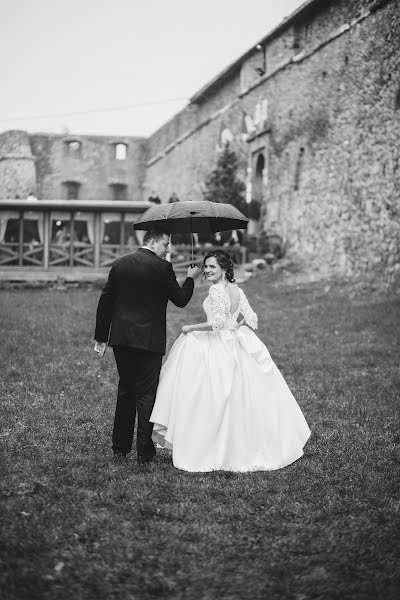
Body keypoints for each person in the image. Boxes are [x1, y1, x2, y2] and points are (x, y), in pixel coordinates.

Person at [151, 249, 310, 472]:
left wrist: (190, 328)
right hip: (235, 341)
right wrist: (236, 325)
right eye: (205, 266)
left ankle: (212, 445)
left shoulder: (216, 290)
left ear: (224, 269)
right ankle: (242, 444)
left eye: (212, 267)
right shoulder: (237, 289)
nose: (207, 270)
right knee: (239, 395)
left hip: (218, 344)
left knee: (210, 394)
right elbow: (251, 318)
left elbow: (215, 324)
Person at [94, 228, 199, 464]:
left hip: (122, 339)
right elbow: (181, 300)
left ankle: (120, 447)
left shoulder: (120, 263)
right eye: (166, 244)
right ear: (152, 242)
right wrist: (191, 277)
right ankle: (144, 451)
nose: (168, 249)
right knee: (147, 394)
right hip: (149, 341)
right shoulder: (162, 268)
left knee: (126, 390)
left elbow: (106, 301)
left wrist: (101, 336)